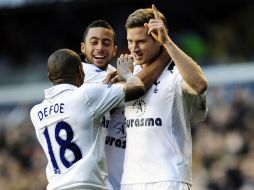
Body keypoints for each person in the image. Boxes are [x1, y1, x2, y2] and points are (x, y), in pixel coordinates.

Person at [30, 48, 146, 190]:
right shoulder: (86, 96)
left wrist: (102, 87)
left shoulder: (36, 112)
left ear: (49, 77)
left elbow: (73, 110)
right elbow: (138, 87)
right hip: (88, 186)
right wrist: (127, 73)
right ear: (81, 71)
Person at [121, 4, 208, 190]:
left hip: (169, 179)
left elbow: (200, 85)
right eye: (130, 41)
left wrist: (168, 42)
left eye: (141, 42)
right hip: (130, 181)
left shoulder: (176, 74)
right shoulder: (128, 75)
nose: (133, 48)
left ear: (158, 39)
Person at [80, 20, 170, 190]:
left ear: (115, 50)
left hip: (125, 178)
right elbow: (138, 87)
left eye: (106, 43)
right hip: (99, 182)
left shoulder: (113, 73)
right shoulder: (86, 77)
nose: (100, 47)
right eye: (94, 42)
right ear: (83, 48)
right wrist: (166, 54)